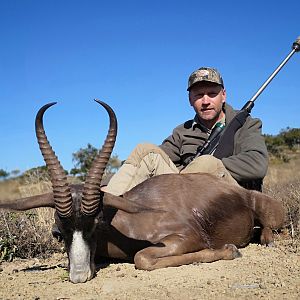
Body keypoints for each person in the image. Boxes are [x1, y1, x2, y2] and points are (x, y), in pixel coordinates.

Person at [103, 67, 268, 196]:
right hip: (186, 195)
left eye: (212, 94)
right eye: (198, 95)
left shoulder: (247, 124)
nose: (205, 101)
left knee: (206, 162)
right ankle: (108, 211)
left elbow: (257, 164)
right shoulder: (182, 131)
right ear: (190, 100)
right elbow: (149, 162)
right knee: (144, 151)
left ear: (223, 95)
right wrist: (104, 183)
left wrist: (202, 169)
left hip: (230, 198)